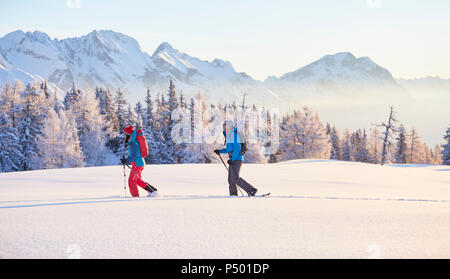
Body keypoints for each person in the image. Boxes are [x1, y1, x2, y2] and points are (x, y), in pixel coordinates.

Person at [214, 120, 258, 197]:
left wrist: (232, 159)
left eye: (225, 126)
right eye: (223, 126)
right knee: (231, 179)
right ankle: (233, 195)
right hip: (233, 158)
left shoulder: (233, 135)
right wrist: (220, 151)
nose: (224, 127)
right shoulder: (229, 135)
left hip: (237, 159)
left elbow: (237, 148)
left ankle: (251, 190)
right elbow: (230, 149)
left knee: (235, 178)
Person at [120, 125, 157, 197]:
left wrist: (126, 161)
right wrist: (126, 160)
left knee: (131, 181)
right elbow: (134, 154)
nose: (124, 135)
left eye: (125, 134)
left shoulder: (133, 143)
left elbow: (134, 156)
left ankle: (135, 197)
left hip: (137, 164)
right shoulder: (133, 142)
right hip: (138, 164)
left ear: (128, 134)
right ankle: (153, 191)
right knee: (137, 180)